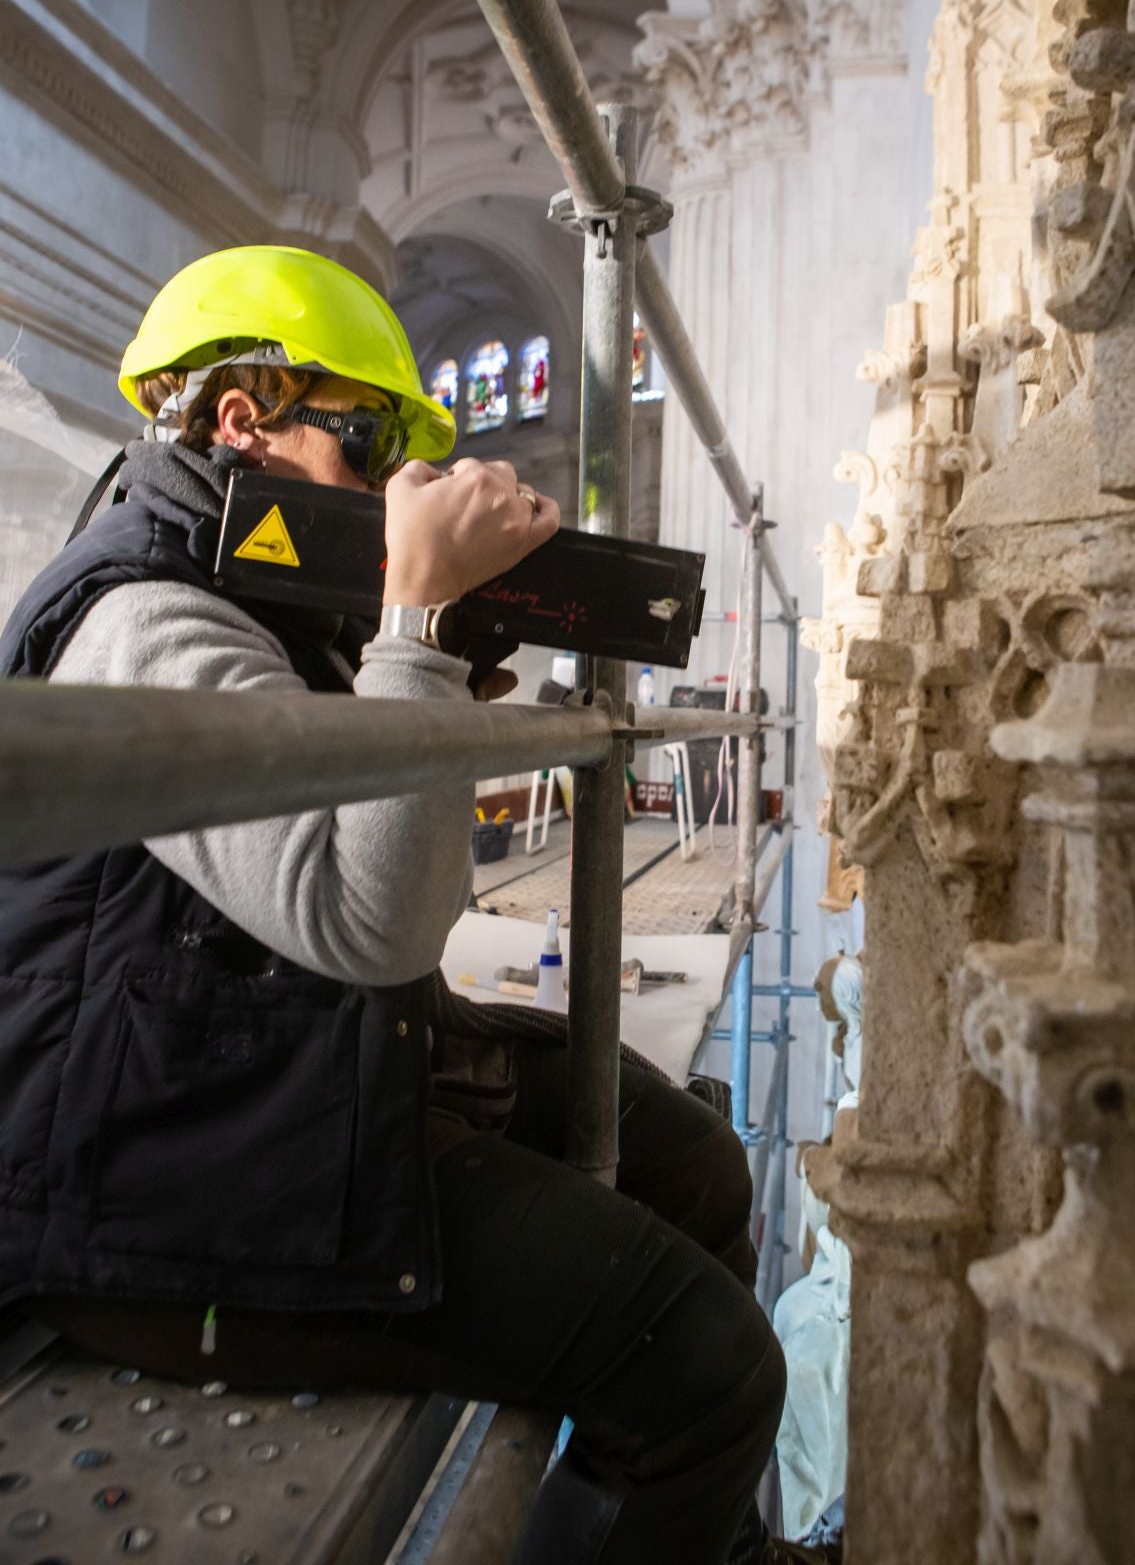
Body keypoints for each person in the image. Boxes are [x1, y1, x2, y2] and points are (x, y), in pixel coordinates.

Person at [0, 246, 803, 1565]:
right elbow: (367, 922)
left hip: (264, 1069)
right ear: (242, 419)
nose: (382, 491)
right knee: (712, 1372)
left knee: (699, 1161)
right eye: (366, 440)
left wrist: (422, 660)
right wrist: (412, 632)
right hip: (159, 1172)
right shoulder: (147, 611)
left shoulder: (253, 592)